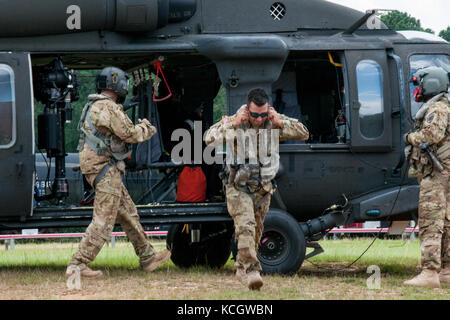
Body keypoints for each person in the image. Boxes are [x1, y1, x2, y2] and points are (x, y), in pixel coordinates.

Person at [66, 67, 171, 278]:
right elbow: (129, 134)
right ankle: (78, 264)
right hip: (105, 169)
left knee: (128, 214)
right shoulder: (108, 107)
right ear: (119, 85)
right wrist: (147, 128)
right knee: (103, 221)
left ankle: (148, 257)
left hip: (100, 168)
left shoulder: (93, 105)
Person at [205, 88, 309, 290]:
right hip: (239, 186)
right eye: (254, 115)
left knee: (255, 233)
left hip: (263, 189)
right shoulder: (236, 121)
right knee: (246, 225)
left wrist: (280, 122)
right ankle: (252, 270)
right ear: (247, 109)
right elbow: (209, 138)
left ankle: (241, 268)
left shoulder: (274, 121)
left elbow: (304, 133)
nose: (259, 119)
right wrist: (233, 125)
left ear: (268, 110)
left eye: (263, 114)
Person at [403, 66, 450, 288]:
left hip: (437, 175)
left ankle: (430, 273)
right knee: (446, 222)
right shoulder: (444, 106)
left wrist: (409, 137)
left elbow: (431, 135)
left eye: (420, 83)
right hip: (444, 174)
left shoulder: (438, 109)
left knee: (430, 222)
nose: (418, 88)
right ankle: (447, 271)